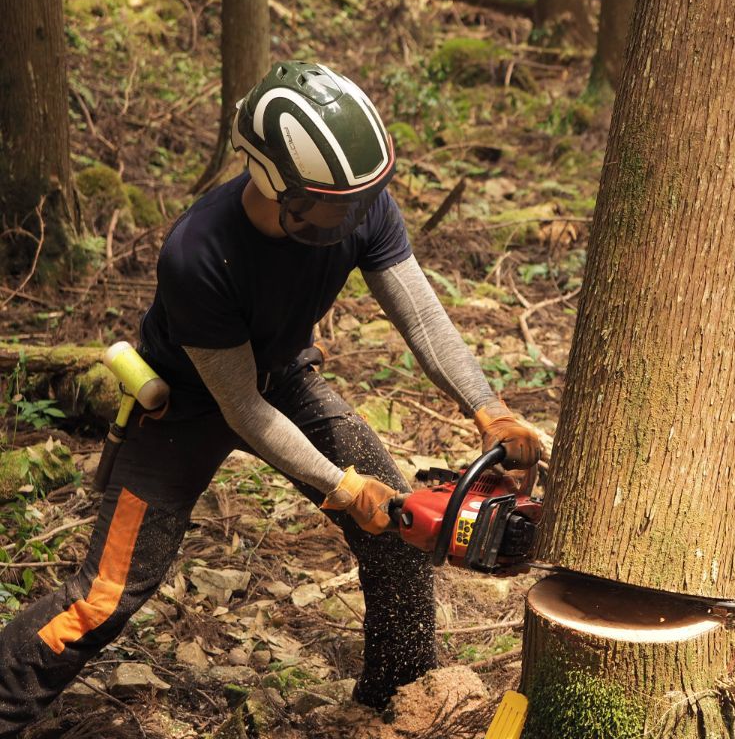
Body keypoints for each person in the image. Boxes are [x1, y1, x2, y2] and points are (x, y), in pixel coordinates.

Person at [0, 61, 543, 736]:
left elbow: (425, 319)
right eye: (331, 207)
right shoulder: (199, 253)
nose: (351, 219)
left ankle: (392, 701)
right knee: (104, 597)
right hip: (185, 407)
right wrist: (343, 487)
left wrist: (488, 406)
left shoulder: (358, 203)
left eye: (358, 202)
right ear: (273, 184)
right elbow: (244, 412)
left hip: (283, 374)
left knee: (401, 526)